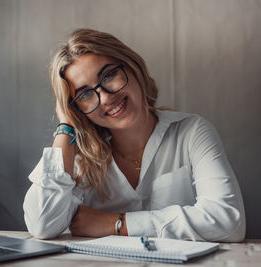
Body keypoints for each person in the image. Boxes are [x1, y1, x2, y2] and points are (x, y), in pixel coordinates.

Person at [23, 28, 246, 242]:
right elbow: (42, 224)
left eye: (109, 75)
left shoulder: (192, 132)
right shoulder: (79, 159)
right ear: (76, 109)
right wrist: (65, 127)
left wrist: (118, 224)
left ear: (132, 67)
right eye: (86, 94)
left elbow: (229, 221)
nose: (106, 98)